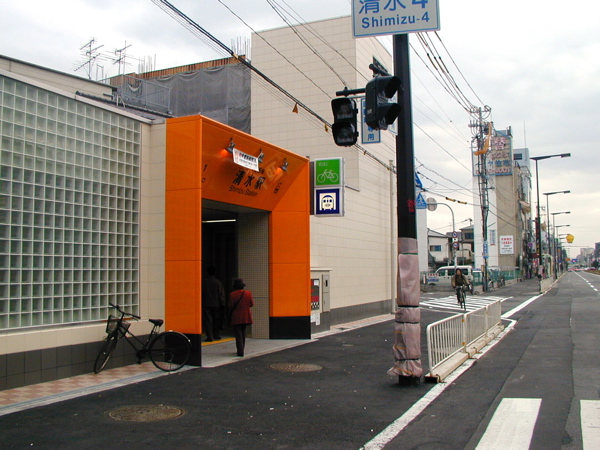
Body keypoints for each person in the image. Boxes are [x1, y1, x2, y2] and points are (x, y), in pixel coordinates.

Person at [228, 278, 253, 357]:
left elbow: (230, 306)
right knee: (243, 333)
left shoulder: (232, 294)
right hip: (246, 316)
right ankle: (242, 348)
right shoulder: (248, 293)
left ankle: (240, 350)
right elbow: (251, 304)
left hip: (236, 316)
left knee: (238, 334)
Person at [202, 266, 225, 342]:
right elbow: (221, 294)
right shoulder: (217, 282)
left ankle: (210, 336)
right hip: (216, 304)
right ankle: (216, 335)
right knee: (216, 320)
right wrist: (222, 303)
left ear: (207, 272)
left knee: (208, 320)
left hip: (206, 303)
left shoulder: (204, 282)